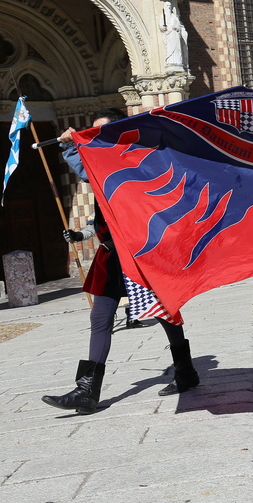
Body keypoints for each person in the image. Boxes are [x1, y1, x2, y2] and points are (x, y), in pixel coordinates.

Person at [42, 109, 200, 415]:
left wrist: (70, 147)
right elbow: (101, 206)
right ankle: (87, 391)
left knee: (165, 313)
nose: (95, 137)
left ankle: (186, 372)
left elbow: (91, 172)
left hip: (140, 253)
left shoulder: (131, 159)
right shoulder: (105, 164)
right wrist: (82, 232)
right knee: (100, 319)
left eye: (101, 132)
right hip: (110, 253)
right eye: (93, 132)